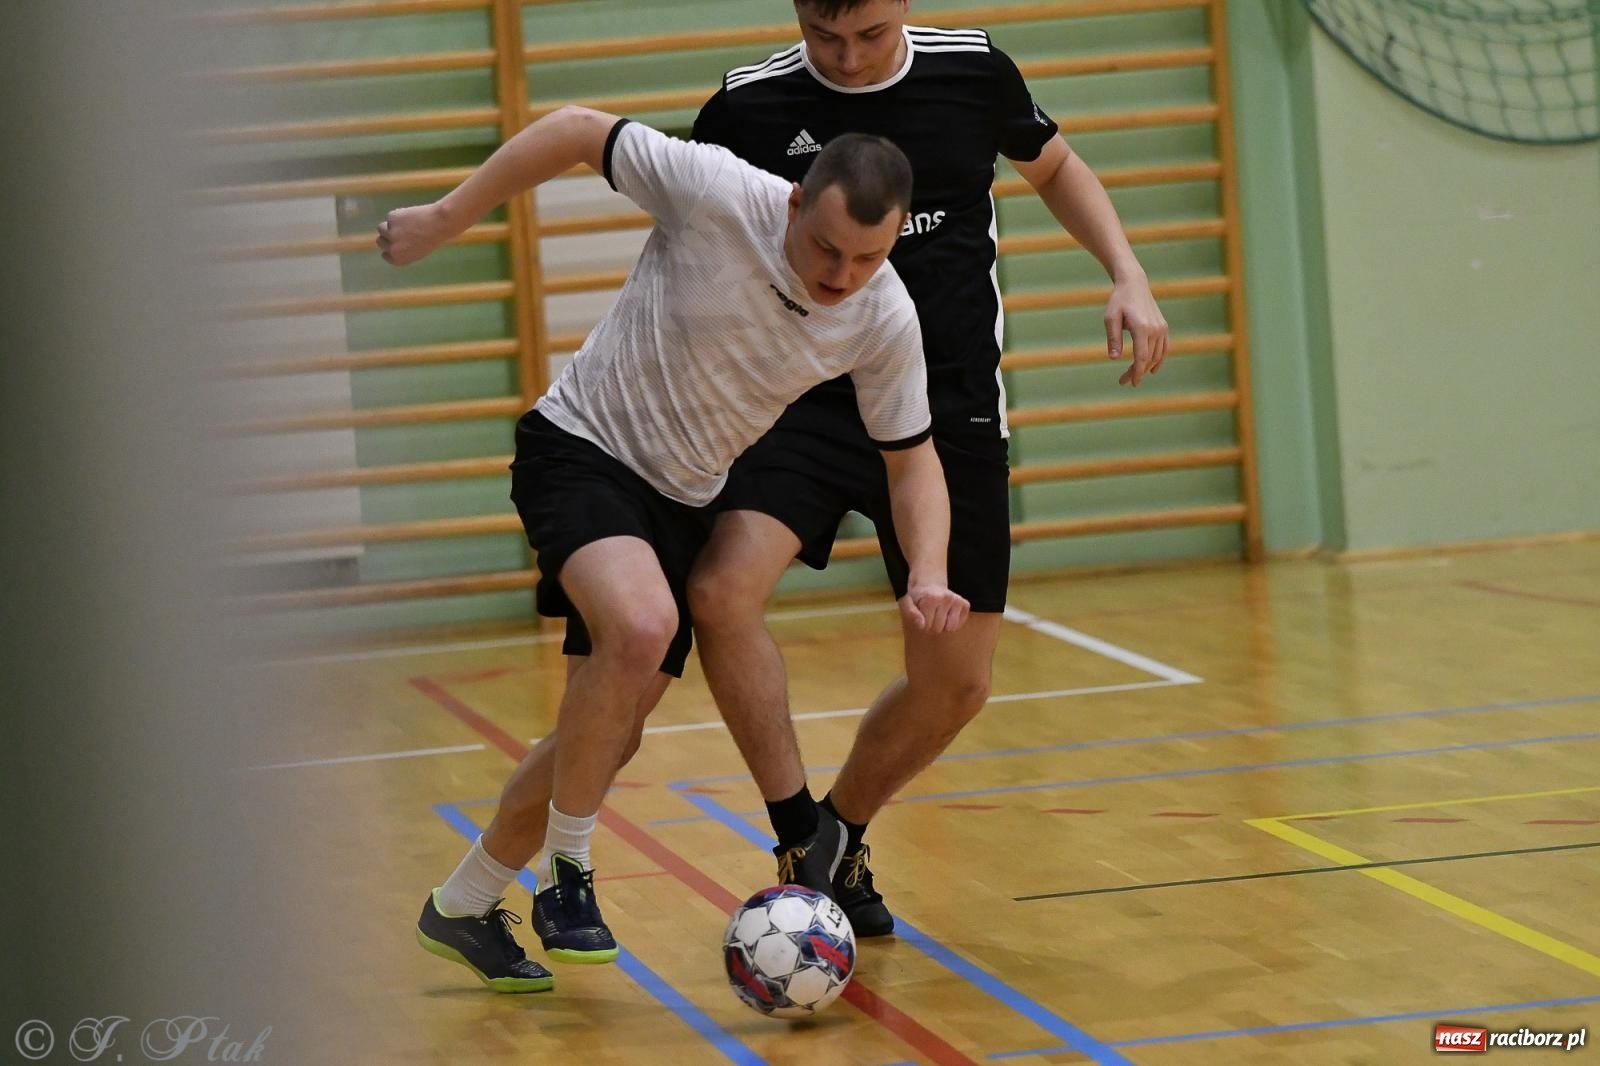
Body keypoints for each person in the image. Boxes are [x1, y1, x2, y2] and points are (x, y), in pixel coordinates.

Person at [379, 104, 970, 992]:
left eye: (867, 258)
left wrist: (927, 570)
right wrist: (449, 216)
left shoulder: (882, 314)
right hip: (579, 447)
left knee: (604, 735)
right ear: (796, 202)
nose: (840, 275)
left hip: (683, 500)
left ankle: (463, 903)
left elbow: (912, 459)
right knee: (646, 622)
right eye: (826, 248)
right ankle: (569, 876)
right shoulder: (719, 191)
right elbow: (578, 130)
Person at [683, 0, 1172, 937]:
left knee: (957, 682)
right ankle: (799, 835)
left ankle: (840, 833)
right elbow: (691, 238)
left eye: (868, 35)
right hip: (802, 405)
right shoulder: (749, 107)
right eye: (827, 39)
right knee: (720, 591)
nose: (849, 57)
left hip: (948, 410)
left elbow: (1057, 167)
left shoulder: (972, 72)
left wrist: (1129, 273)